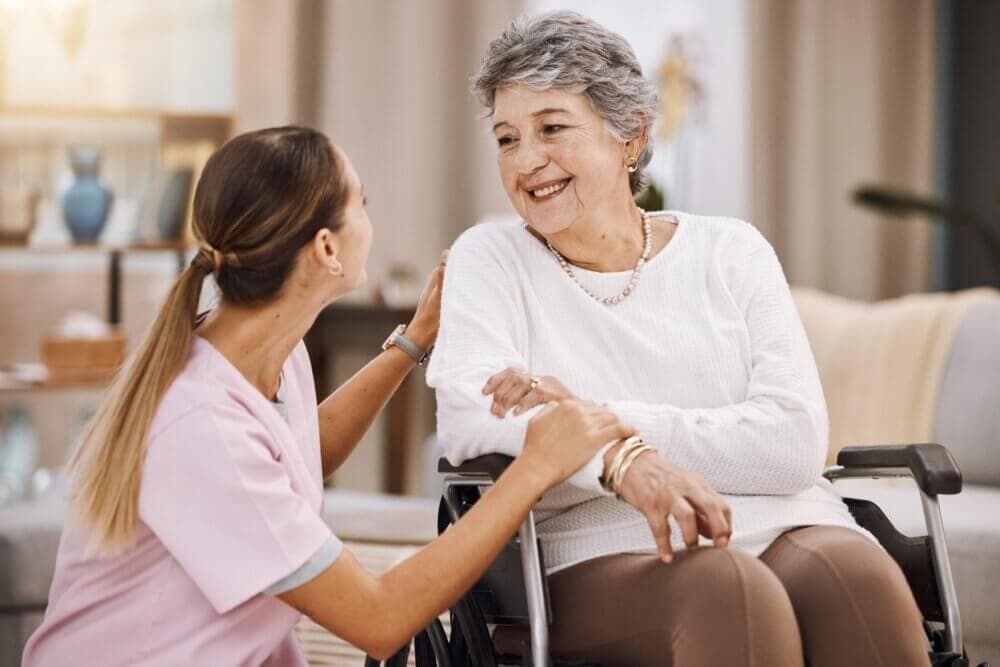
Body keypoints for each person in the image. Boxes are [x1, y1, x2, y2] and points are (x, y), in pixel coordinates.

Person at [22, 126, 636, 666]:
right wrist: (532, 469)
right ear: (325, 248)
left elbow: (299, 450)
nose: (371, 219)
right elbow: (378, 620)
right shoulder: (202, 423)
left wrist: (416, 339)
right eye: (361, 204)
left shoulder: (259, 346)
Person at [427, 11, 929, 665]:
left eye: (552, 128)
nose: (526, 161)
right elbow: (469, 416)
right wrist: (624, 464)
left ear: (630, 136)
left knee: (861, 581)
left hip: (792, 518)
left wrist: (601, 422)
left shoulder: (733, 250)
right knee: (727, 589)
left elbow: (795, 442)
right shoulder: (490, 257)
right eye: (506, 137)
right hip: (604, 544)